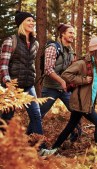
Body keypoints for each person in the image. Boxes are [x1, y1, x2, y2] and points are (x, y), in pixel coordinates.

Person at [0, 11, 56, 156]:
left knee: (36, 115)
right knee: (7, 119)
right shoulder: (10, 41)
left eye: (33, 21)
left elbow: (30, 64)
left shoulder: (35, 43)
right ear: (21, 23)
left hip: (28, 86)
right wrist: (8, 82)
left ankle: (40, 148)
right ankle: (4, 148)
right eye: (29, 20)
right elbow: (3, 65)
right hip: (12, 86)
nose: (32, 23)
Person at [52, 36, 97, 151]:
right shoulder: (82, 63)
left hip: (87, 101)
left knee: (70, 126)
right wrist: (83, 79)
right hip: (81, 102)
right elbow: (66, 74)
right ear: (95, 50)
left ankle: (54, 148)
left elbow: (93, 84)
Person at [38, 23, 81, 141]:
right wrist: (62, 81)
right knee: (39, 115)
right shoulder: (52, 48)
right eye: (70, 32)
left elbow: (72, 70)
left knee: (76, 110)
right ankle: (28, 137)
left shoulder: (71, 51)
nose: (73, 35)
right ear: (63, 34)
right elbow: (48, 69)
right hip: (50, 88)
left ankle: (74, 137)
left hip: (65, 89)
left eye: (74, 33)